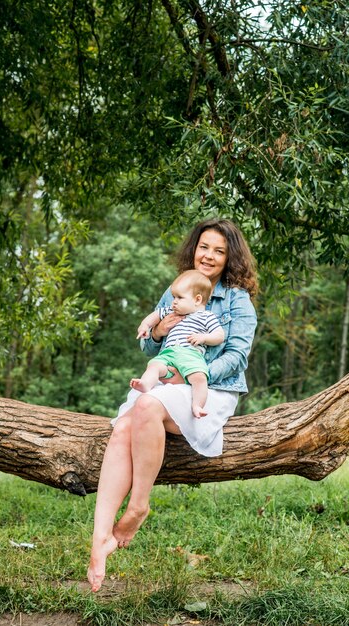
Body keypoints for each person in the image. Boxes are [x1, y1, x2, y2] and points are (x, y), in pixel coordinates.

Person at [87, 218, 258, 592]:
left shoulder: (236, 300)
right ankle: (99, 540)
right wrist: (159, 331)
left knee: (146, 406)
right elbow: (151, 345)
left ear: (230, 258)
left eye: (219, 250)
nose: (209, 256)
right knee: (123, 429)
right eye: (204, 247)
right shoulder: (176, 288)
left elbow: (237, 357)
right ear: (194, 248)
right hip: (166, 380)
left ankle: (138, 507)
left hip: (209, 387)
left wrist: (194, 372)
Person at [131, 269, 225, 418]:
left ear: (197, 300)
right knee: (154, 365)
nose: (174, 301)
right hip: (168, 353)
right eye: (174, 297)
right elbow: (154, 316)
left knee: (200, 378)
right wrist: (144, 326)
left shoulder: (207, 316)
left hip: (190, 355)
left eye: (180, 298)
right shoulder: (171, 311)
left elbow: (219, 336)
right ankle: (146, 384)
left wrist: (204, 338)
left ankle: (197, 405)